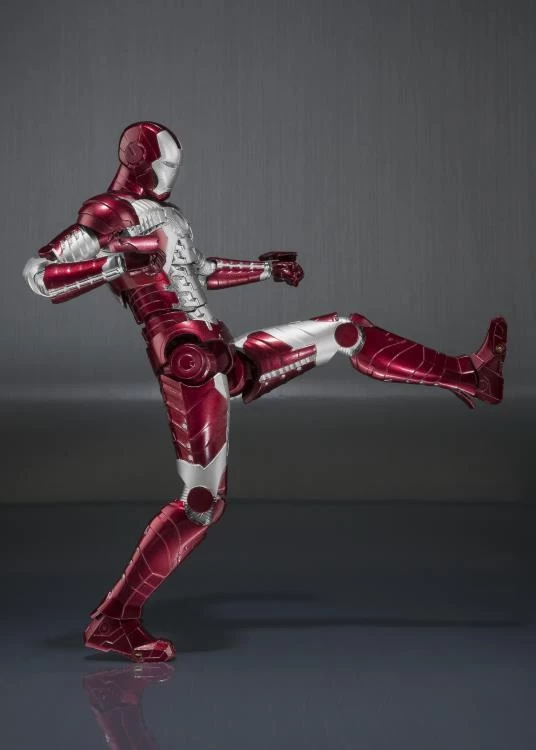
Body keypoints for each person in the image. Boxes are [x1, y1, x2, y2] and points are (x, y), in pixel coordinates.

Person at [23, 121, 508, 662]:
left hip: (221, 352)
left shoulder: (168, 215)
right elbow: (41, 275)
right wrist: (112, 263)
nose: (170, 174)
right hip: (189, 362)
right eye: (163, 164)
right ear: (138, 159)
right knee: (202, 503)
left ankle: (471, 375)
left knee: (346, 330)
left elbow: (197, 272)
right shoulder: (107, 213)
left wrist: (265, 271)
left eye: (175, 165)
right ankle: (113, 619)